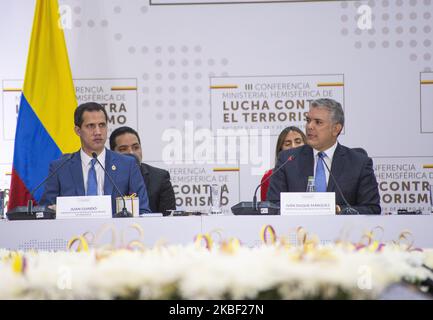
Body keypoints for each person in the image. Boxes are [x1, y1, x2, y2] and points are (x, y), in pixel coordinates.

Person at [267, 98, 381, 215]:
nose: (310, 126)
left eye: (318, 122)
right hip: (298, 231)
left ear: (336, 129)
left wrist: (339, 210)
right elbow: (272, 206)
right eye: (308, 120)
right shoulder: (288, 160)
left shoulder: (359, 163)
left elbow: (372, 209)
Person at [40, 102, 151, 216]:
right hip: (73, 233)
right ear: (78, 131)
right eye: (91, 126)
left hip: (115, 232)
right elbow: (46, 212)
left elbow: (143, 210)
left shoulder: (127, 165)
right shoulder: (60, 168)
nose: (98, 132)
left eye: (102, 125)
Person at [109, 126, 176, 215]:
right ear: (112, 153)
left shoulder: (160, 178)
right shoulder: (105, 176)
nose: (131, 152)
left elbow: (169, 219)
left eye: (136, 147)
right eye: (123, 149)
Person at [260, 126, 306, 201]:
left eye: (298, 142)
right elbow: (267, 209)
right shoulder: (269, 177)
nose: (293, 147)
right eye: (287, 144)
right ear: (280, 150)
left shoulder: (316, 172)